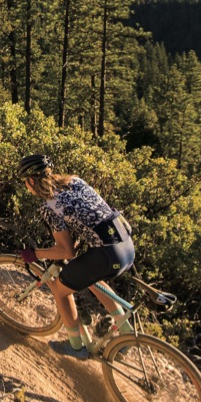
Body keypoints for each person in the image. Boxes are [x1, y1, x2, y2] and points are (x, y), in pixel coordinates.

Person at [16, 153, 135, 357]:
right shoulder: (75, 181)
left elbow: (66, 251)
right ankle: (125, 330)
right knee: (90, 275)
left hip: (107, 254)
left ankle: (75, 346)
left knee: (59, 288)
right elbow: (91, 215)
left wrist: (35, 254)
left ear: (31, 181)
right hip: (125, 246)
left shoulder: (49, 205)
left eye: (25, 183)